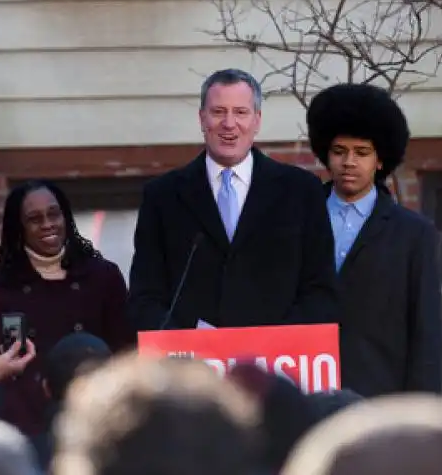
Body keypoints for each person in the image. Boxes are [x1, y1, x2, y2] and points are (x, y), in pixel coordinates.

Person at [129, 68, 337, 331]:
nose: (229, 124)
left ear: (257, 120)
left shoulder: (301, 191)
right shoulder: (163, 196)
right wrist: (189, 339)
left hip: (278, 361)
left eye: (240, 112)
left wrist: (273, 342)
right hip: (193, 364)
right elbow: (145, 298)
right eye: (218, 112)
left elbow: (320, 292)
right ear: (202, 119)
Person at [305, 83, 442, 397]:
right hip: (307, 399)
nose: (349, 162)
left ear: (380, 160)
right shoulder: (298, 220)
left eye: (362, 152)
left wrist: (420, 418)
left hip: (380, 404)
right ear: (327, 154)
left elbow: (426, 338)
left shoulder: (413, 234)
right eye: (340, 152)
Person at [0, 180, 136, 436]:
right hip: (29, 423)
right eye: (34, 219)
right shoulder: (5, 286)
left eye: (54, 214)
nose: (48, 224)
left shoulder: (103, 276)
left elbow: (126, 351)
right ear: (20, 228)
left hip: (95, 416)